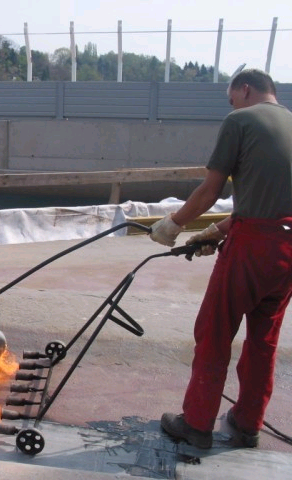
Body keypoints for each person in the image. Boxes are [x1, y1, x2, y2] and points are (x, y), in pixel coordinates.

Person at [149, 68, 292, 449]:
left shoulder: (240, 120)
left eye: (231, 97)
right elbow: (272, 205)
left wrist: (172, 225)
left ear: (244, 90)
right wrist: (216, 232)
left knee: (214, 330)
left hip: (252, 248)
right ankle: (247, 425)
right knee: (264, 340)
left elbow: (210, 191)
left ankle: (196, 424)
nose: (230, 104)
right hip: (286, 252)